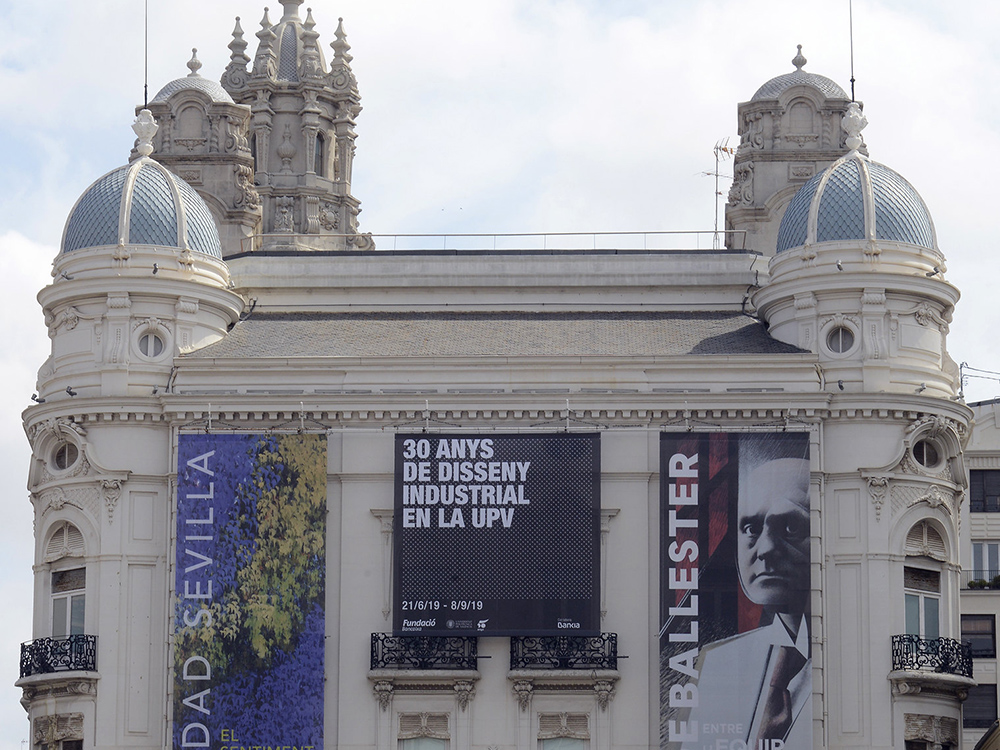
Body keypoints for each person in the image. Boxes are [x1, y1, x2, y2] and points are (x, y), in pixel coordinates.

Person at [686, 444, 811, 749]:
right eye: (752, 527)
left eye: (791, 526)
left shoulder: (852, 661)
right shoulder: (717, 664)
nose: (766, 549)